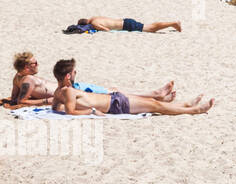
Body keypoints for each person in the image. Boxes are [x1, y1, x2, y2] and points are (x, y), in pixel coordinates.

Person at [8, 52, 177, 107]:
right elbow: (21, 101)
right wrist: (46, 101)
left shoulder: (18, 78)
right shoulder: (28, 80)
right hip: (74, 92)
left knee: (112, 91)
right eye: (33, 63)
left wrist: (10, 101)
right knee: (113, 93)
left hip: (70, 89)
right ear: (25, 67)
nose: (37, 64)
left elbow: (14, 97)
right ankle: (155, 94)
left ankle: (158, 96)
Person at [48, 58, 213, 115]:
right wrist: (91, 110)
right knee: (156, 106)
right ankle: (193, 110)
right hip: (115, 105)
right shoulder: (68, 91)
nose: (76, 73)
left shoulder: (59, 91)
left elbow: (56, 108)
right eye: (74, 72)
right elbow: (70, 111)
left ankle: (185, 105)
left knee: (153, 102)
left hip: (114, 99)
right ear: (68, 76)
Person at [67, 16, 182, 34]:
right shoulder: (94, 17)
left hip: (126, 26)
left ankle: (173, 23)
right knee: (150, 26)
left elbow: (106, 30)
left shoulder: (94, 23)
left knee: (151, 28)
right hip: (125, 21)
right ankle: (173, 24)